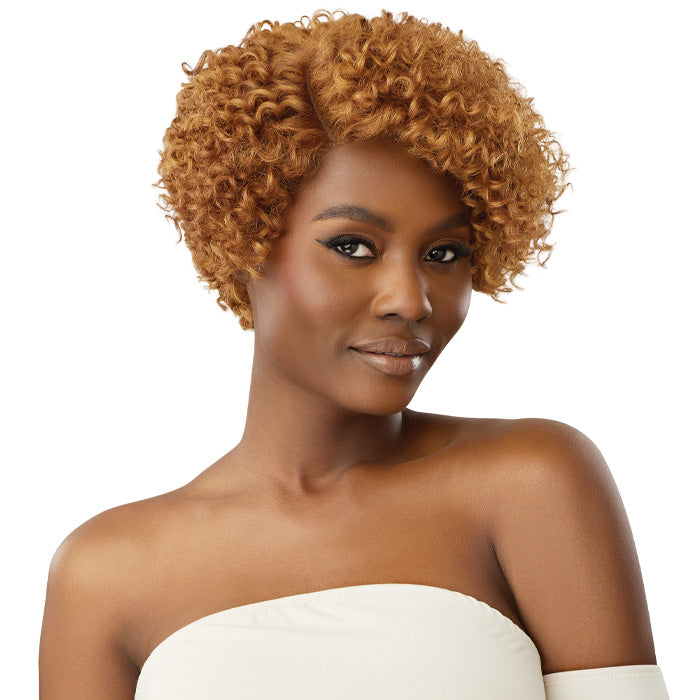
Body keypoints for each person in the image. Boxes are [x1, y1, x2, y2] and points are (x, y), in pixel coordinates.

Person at [39, 9, 670, 699]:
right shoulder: (105, 575)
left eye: (444, 254)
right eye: (353, 247)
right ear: (243, 240)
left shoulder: (532, 483)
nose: (410, 299)